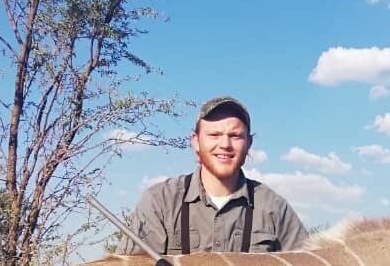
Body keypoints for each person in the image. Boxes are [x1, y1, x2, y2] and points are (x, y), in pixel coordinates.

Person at [122, 96, 309, 255]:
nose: (225, 144)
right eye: (214, 134)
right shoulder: (160, 202)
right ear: (196, 141)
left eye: (235, 136)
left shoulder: (274, 207)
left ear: (249, 143)